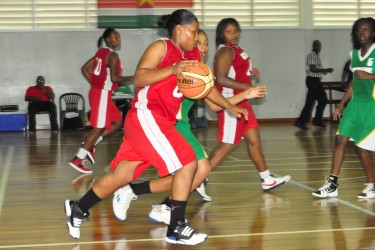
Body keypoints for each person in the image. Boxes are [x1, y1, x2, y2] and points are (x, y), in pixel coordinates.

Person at [64, 10, 245, 245]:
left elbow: (207, 88)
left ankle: (78, 208)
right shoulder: (162, 47)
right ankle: (176, 226)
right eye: (193, 30)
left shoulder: (192, 57)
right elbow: (139, 78)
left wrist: (229, 106)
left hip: (157, 121)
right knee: (187, 161)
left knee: (122, 175)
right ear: (179, 30)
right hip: (147, 113)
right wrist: (172, 69)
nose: (196, 35)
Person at [111, 29, 266, 225]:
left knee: (196, 173)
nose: (202, 47)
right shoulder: (184, 67)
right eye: (198, 41)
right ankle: (144, 197)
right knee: (196, 171)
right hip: (169, 124)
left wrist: (245, 95)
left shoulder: (200, 72)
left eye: (206, 43)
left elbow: (214, 105)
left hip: (181, 125)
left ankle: (149, 199)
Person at [209, 18, 291, 191]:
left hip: (244, 101)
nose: (233, 34)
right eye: (228, 31)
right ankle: (199, 179)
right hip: (232, 102)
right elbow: (221, 78)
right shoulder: (225, 51)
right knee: (229, 144)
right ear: (221, 34)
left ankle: (267, 179)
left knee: (254, 140)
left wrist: (249, 73)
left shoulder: (235, 50)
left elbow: (235, 72)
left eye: (236, 30)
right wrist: (248, 86)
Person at [312, 17, 375, 199]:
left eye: (366, 30)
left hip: (372, 105)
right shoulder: (354, 55)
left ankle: (372, 185)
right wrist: (340, 105)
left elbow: (366, 76)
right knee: (340, 139)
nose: (362, 33)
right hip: (355, 104)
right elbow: (353, 83)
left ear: (373, 32)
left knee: (362, 148)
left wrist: (371, 76)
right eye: (359, 30)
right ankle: (332, 184)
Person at [69, 28, 133, 174]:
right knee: (98, 128)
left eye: (119, 36)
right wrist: (134, 78)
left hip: (99, 92)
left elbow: (84, 68)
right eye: (115, 37)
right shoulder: (113, 55)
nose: (119, 39)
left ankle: (92, 145)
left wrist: (95, 82)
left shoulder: (101, 53)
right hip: (102, 94)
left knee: (117, 122)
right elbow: (115, 78)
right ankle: (78, 159)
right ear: (108, 40)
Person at [294, 40, 334, 130]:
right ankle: (316, 121)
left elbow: (316, 69)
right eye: (316, 45)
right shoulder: (312, 55)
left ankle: (301, 122)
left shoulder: (316, 56)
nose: (318, 47)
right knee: (323, 99)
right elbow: (313, 69)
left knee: (311, 102)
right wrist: (325, 70)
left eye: (319, 46)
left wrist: (324, 72)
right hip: (313, 81)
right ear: (313, 46)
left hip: (315, 80)